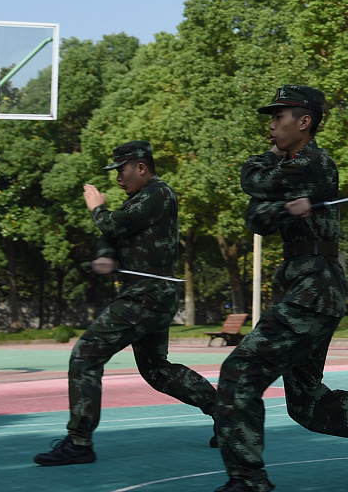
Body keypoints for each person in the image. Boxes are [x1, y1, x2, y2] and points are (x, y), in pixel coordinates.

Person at [212, 85, 348, 492]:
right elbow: (256, 217)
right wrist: (282, 205)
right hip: (300, 288)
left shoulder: (315, 163)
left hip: (315, 289)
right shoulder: (289, 167)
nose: (270, 126)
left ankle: (248, 481)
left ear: (304, 122)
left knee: (239, 372)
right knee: (306, 404)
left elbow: (251, 181)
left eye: (278, 117)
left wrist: (273, 193)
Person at [34, 141, 217, 466]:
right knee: (156, 370)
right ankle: (227, 415)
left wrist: (96, 207)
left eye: (122, 169)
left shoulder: (157, 194)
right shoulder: (139, 200)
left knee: (85, 355)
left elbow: (112, 224)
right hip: (149, 294)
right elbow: (112, 236)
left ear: (141, 167)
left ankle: (79, 442)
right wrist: (105, 256)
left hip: (146, 295)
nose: (118, 176)